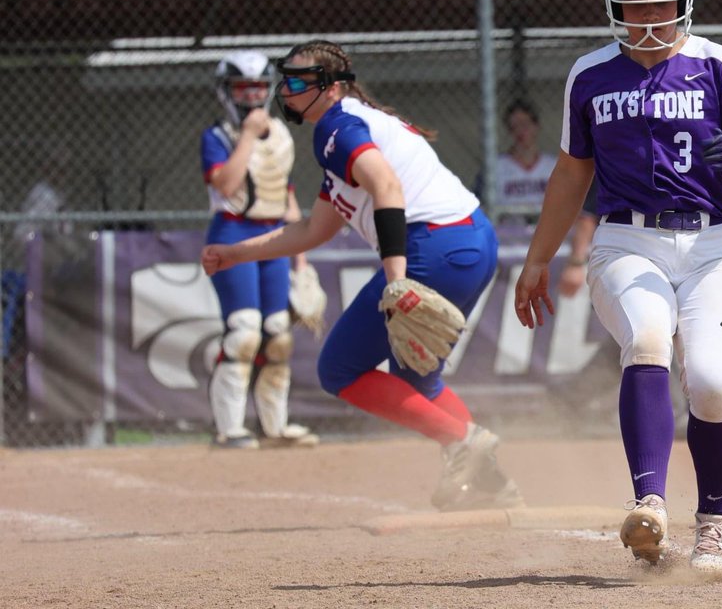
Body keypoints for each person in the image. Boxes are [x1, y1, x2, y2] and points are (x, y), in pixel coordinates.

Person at [513, 0, 722, 572]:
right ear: (614, 4)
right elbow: (572, 173)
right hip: (627, 239)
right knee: (649, 338)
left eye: (661, 1)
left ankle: (713, 523)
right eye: (636, 3)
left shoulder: (718, 64)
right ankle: (649, 505)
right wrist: (539, 257)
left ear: (684, 0)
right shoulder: (591, 73)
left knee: (711, 385)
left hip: (711, 243)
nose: (650, 15)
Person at [201, 39, 521, 511]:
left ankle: (462, 442)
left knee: (339, 368)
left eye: (299, 82)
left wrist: (396, 280)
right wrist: (235, 253)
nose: (286, 90)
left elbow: (386, 185)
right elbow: (312, 230)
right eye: (286, 80)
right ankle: (493, 486)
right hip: (472, 242)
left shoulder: (338, 125)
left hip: (432, 245)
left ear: (331, 88)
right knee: (417, 378)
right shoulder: (348, 130)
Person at [201, 51, 319, 450]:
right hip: (234, 232)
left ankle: (275, 426)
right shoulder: (217, 136)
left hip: (275, 236)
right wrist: (248, 136)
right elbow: (226, 185)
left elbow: (286, 198)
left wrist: (301, 261)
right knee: (244, 330)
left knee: (278, 333)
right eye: (241, 89)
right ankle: (229, 428)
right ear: (226, 93)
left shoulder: (282, 135)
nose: (251, 97)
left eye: (256, 88)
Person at [490, 98, 558, 220]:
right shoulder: (496, 167)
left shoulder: (553, 165)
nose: (521, 131)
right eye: (515, 126)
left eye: (525, 124)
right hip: (509, 230)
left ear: (536, 126)